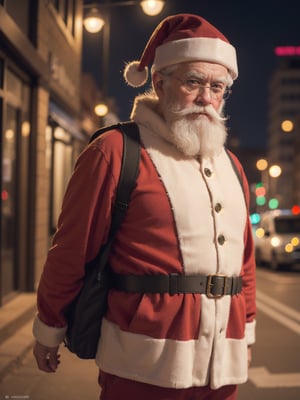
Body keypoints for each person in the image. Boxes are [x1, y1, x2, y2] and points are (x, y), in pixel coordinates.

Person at [33, 13, 256, 400]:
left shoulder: (232, 166)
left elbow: (246, 262)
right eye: (193, 82)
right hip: (143, 363)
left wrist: (246, 329)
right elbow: (71, 250)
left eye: (218, 87)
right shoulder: (115, 151)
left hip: (223, 367)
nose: (206, 97)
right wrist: (49, 327)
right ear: (159, 82)